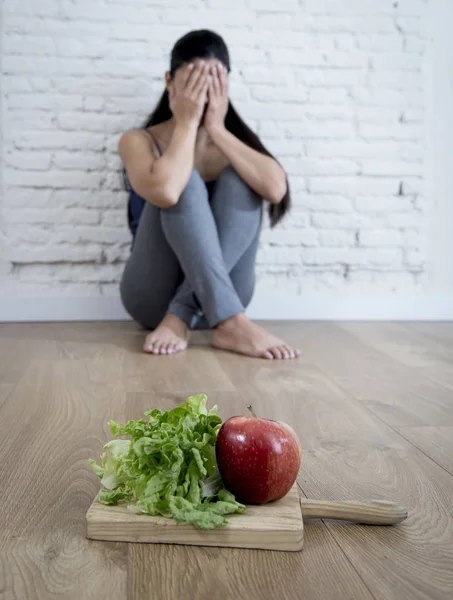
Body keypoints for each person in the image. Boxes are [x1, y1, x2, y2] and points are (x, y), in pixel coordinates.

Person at [119, 30, 301, 360]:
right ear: (169, 82)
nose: (201, 92)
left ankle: (192, 316)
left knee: (243, 179)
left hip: (224, 300)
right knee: (181, 179)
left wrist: (217, 128)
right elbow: (167, 189)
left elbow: (275, 189)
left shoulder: (233, 145)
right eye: (192, 82)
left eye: (213, 82)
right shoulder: (138, 140)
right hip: (152, 300)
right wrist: (187, 123)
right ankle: (226, 321)